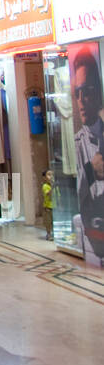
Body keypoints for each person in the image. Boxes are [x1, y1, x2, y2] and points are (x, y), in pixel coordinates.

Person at [71, 46, 104, 262]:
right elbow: (81, 197)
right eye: (77, 92)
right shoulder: (78, 144)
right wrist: (92, 170)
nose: (82, 99)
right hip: (95, 238)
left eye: (88, 91)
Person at [41, 167, 54, 241]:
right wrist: (52, 187)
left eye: (52, 175)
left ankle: (54, 233)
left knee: (53, 221)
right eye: (49, 175)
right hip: (48, 208)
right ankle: (48, 234)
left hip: (54, 207)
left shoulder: (54, 186)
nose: (51, 176)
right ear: (44, 178)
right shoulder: (45, 186)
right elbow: (48, 194)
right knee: (48, 222)